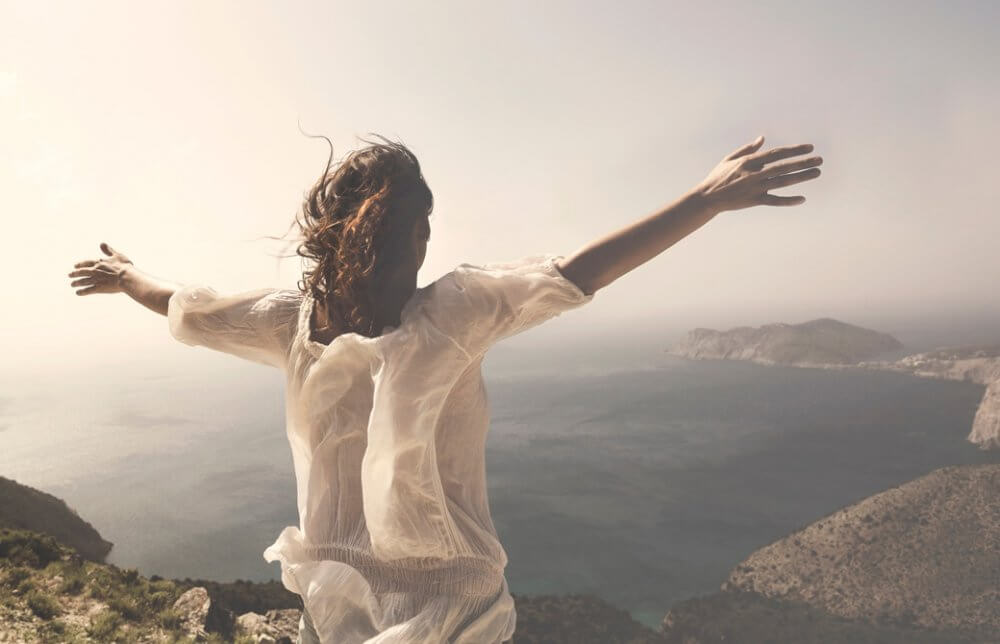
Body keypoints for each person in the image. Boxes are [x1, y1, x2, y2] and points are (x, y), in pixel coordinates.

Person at [68, 133, 821, 643]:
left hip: (337, 603)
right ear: (417, 234)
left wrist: (125, 276)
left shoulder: (288, 323)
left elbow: (184, 305)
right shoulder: (454, 310)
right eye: (422, 225)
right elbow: (581, 270)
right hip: (450, 611)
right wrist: (704, 199)